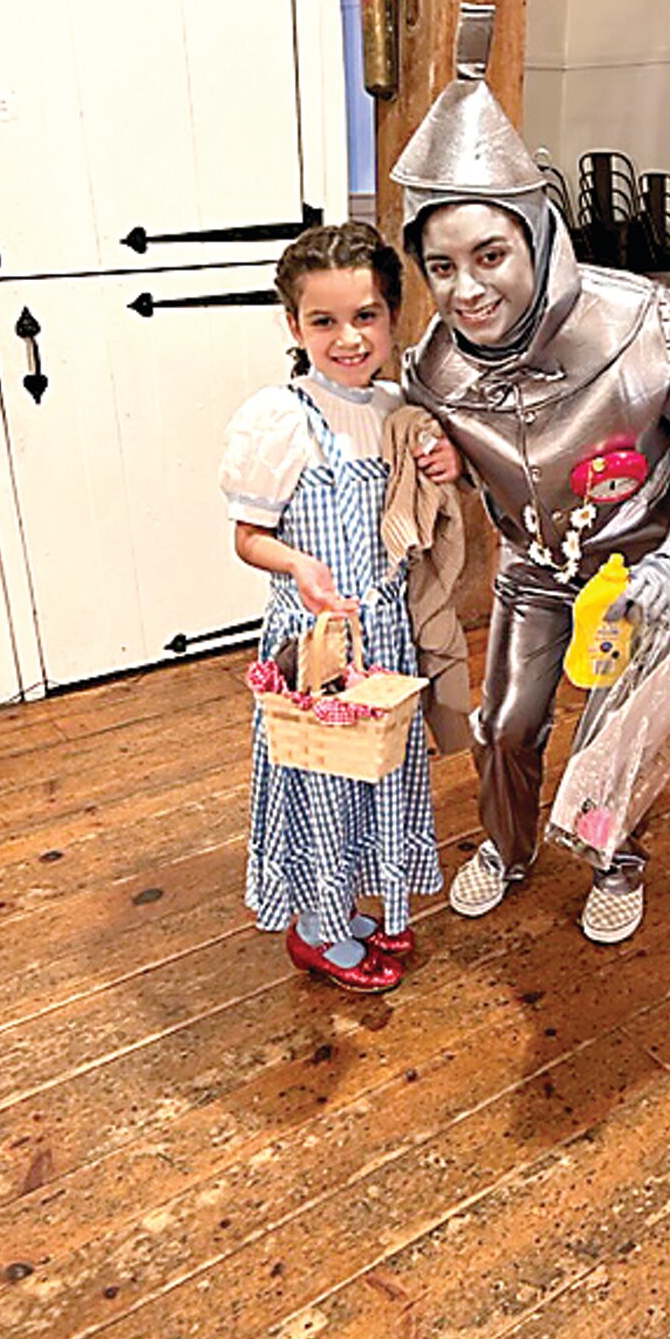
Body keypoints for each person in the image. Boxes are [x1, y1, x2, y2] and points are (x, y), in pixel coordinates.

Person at [392, 4, 670, 945]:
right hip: (535, 571)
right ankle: (508, 848)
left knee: (615, 739)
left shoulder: (662, 329)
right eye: (440, 266)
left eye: (489, 255)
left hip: (645, 574)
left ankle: (615, 857)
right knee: (506, 725)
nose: (466, 288)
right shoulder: (431, 365)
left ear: (537, 240)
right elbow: (432, 456)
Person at [219, 221, 455, 991]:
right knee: (322, 782)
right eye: (323, 321)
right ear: (294, 326)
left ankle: (357, 903)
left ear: (393, 317)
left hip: (383, 633)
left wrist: (441, 460)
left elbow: (420, 500)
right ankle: (317, 927)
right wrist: (300, 566)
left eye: (366, 316)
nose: (348, 338)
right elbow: (248, 537)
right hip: (317, 642)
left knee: (377, 777)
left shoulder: (395, 409)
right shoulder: (281, 418)